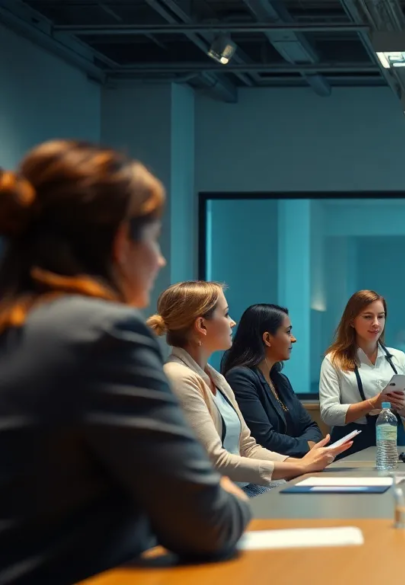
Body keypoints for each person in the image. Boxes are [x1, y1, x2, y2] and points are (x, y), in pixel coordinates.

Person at [0, 140, 250, 584]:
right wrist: (231, 494)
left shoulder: (25, 325)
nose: (160, 259)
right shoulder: (100, 333)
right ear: (121, 242)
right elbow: (205, 523)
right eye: (153, 238)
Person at [150, 282, 350, 496]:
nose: (232, 322)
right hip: (211, 498)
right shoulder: (179, 377)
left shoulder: (216, 378)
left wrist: (300, 464)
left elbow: (248, 448)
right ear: (202, 325)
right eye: (226, 314)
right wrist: (300, 466)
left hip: (244, 487)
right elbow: (216, 461)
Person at [319, 290, 405, 457]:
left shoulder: (398, 358)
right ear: (351, 321)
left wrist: (402, 406)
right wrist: (373, 403)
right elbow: (328, 413)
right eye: (368, 317)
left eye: (381, 317)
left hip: (393, 438)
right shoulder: (333, 360)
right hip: (352, 442)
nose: (376, 323)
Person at [223, 303, 324, 458]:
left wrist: (307, 446)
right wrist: (308, 446)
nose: (293, 339)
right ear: (267, 338)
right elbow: (264, 439)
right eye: (288, 332)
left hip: (296, 463)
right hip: (267, 468)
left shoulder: (281, 380)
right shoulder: (240, 378)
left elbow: (311, 427)